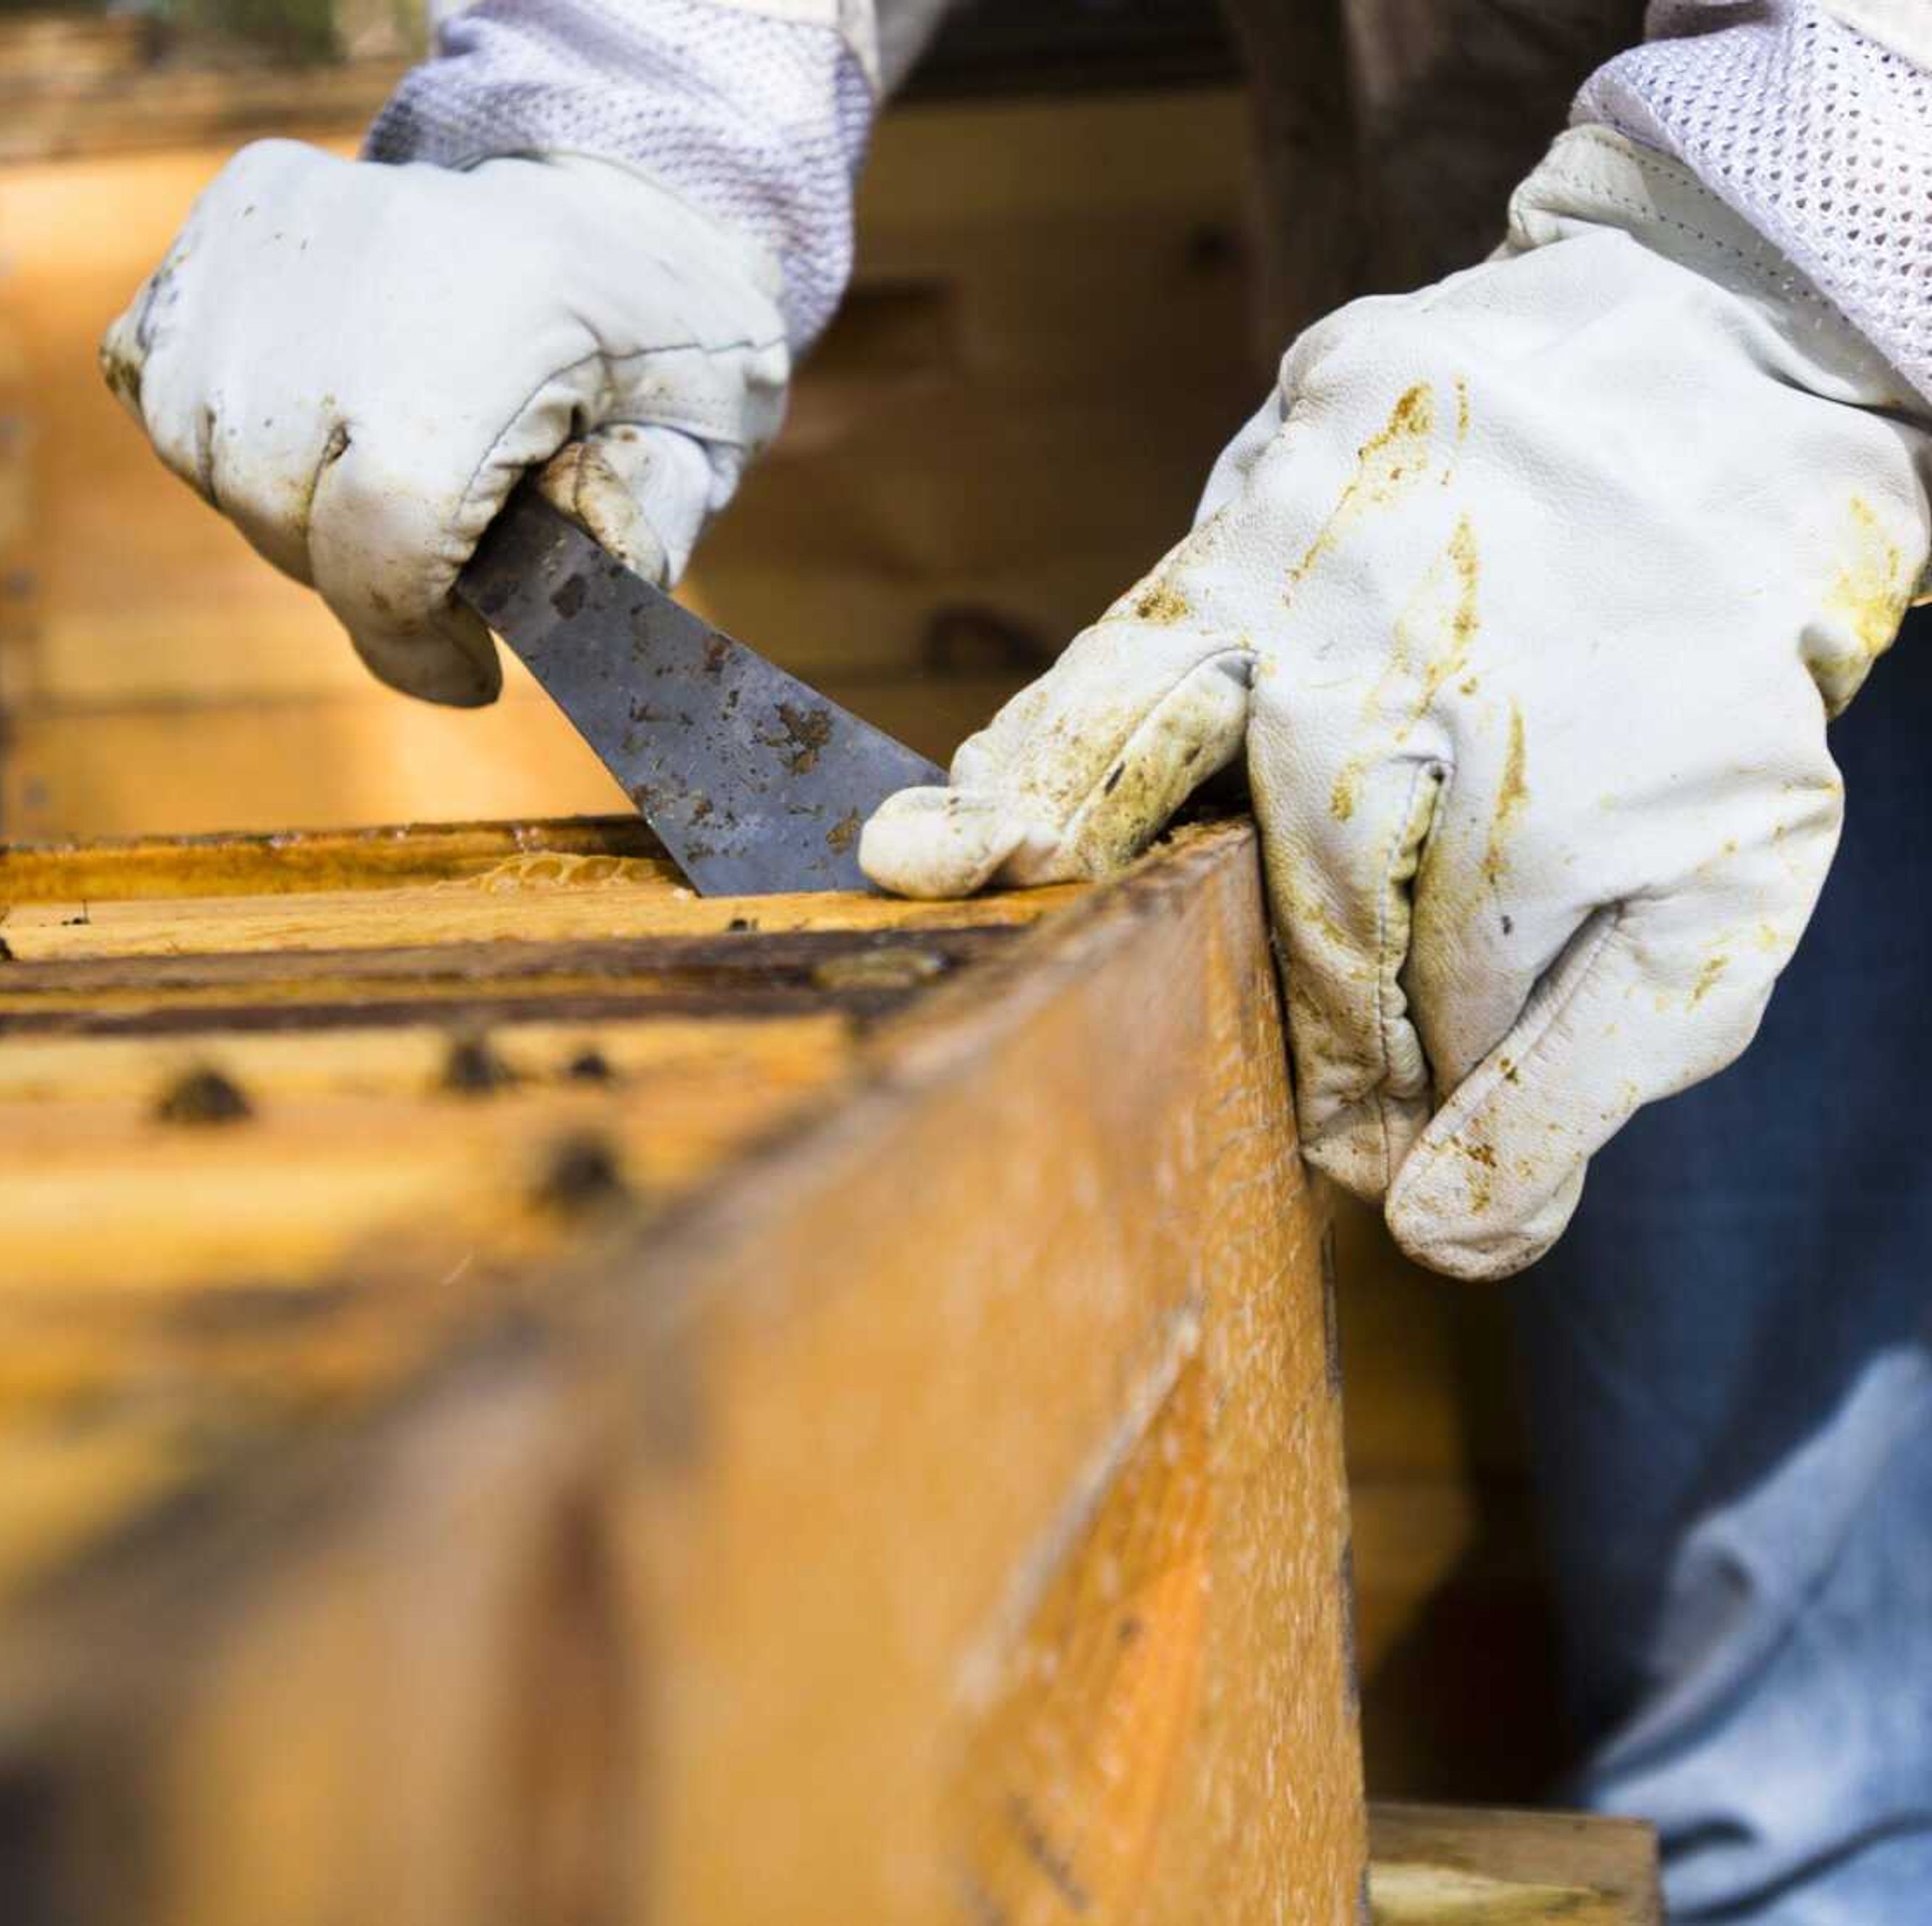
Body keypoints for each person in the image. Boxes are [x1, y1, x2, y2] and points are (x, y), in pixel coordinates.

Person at [98, 2, 1932, 1915]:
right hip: (1572, 516)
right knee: (1798, 1791)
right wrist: (626, 118)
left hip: (1730, 407)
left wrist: (1794, 274)